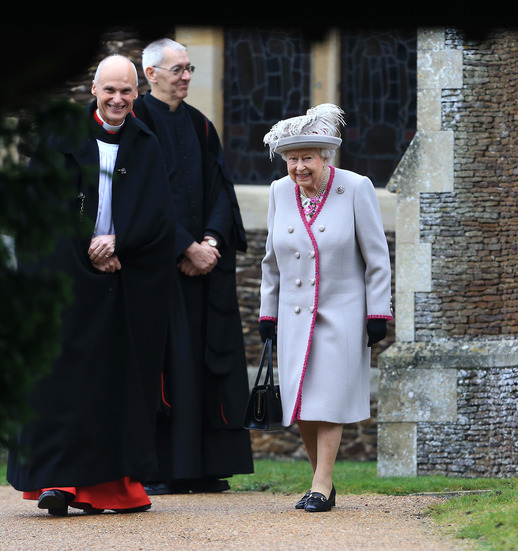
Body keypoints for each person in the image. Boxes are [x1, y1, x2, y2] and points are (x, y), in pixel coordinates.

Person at [6, 54, 175, 516]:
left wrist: (121, 244)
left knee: (115, 383)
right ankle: (57, 483)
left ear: (136, 94)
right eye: (110, 90)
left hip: (124, 281)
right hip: (66, 278)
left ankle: (109, 487)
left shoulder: (146, 144)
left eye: (126, 91)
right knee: (62, 381)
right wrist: (86, 251)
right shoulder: (61, 139)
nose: (117, 99)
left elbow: (160, 217)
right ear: (94, 91)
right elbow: (39, 213)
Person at [131, 38, 253, 495]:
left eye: (189, 68)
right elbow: (141, 196)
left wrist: (212, 242)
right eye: (177, 69)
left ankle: (205, 467)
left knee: (208, 361)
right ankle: (161, 469)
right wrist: (184, 246)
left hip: (204, 271)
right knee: (168, 364)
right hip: (159, 270)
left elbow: (223, 189)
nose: (185, 76)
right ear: (151, 74)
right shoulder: (136, 123)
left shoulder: (202, 127)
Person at [258, 104, 392, 512]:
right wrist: (268, 312)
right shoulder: (280, 192)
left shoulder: (355, 187)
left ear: (325, 156)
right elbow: (270, 260)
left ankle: (321, 483)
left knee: (329, 397)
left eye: (306, 158)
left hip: (342, 313)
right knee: (301, 402)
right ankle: (323, 485)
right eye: (291, 159)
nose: (298, 167)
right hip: (295, 316)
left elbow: (377, 256)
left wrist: (377, 313)